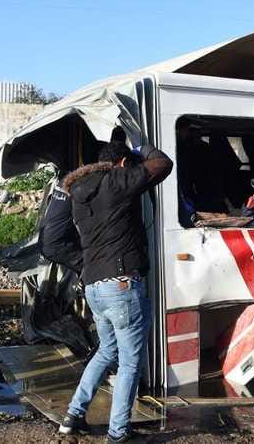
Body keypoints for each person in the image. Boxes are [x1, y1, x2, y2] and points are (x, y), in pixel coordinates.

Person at [58, 128, 173, 443]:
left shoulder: (80, 193)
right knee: (130, 361)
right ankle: (118, 432)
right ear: (122, 164)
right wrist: (140, 148)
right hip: (121, 284)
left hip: (94, 286)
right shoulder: (117, 180)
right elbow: (163, 164)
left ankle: (73, 416)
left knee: (106, 350)